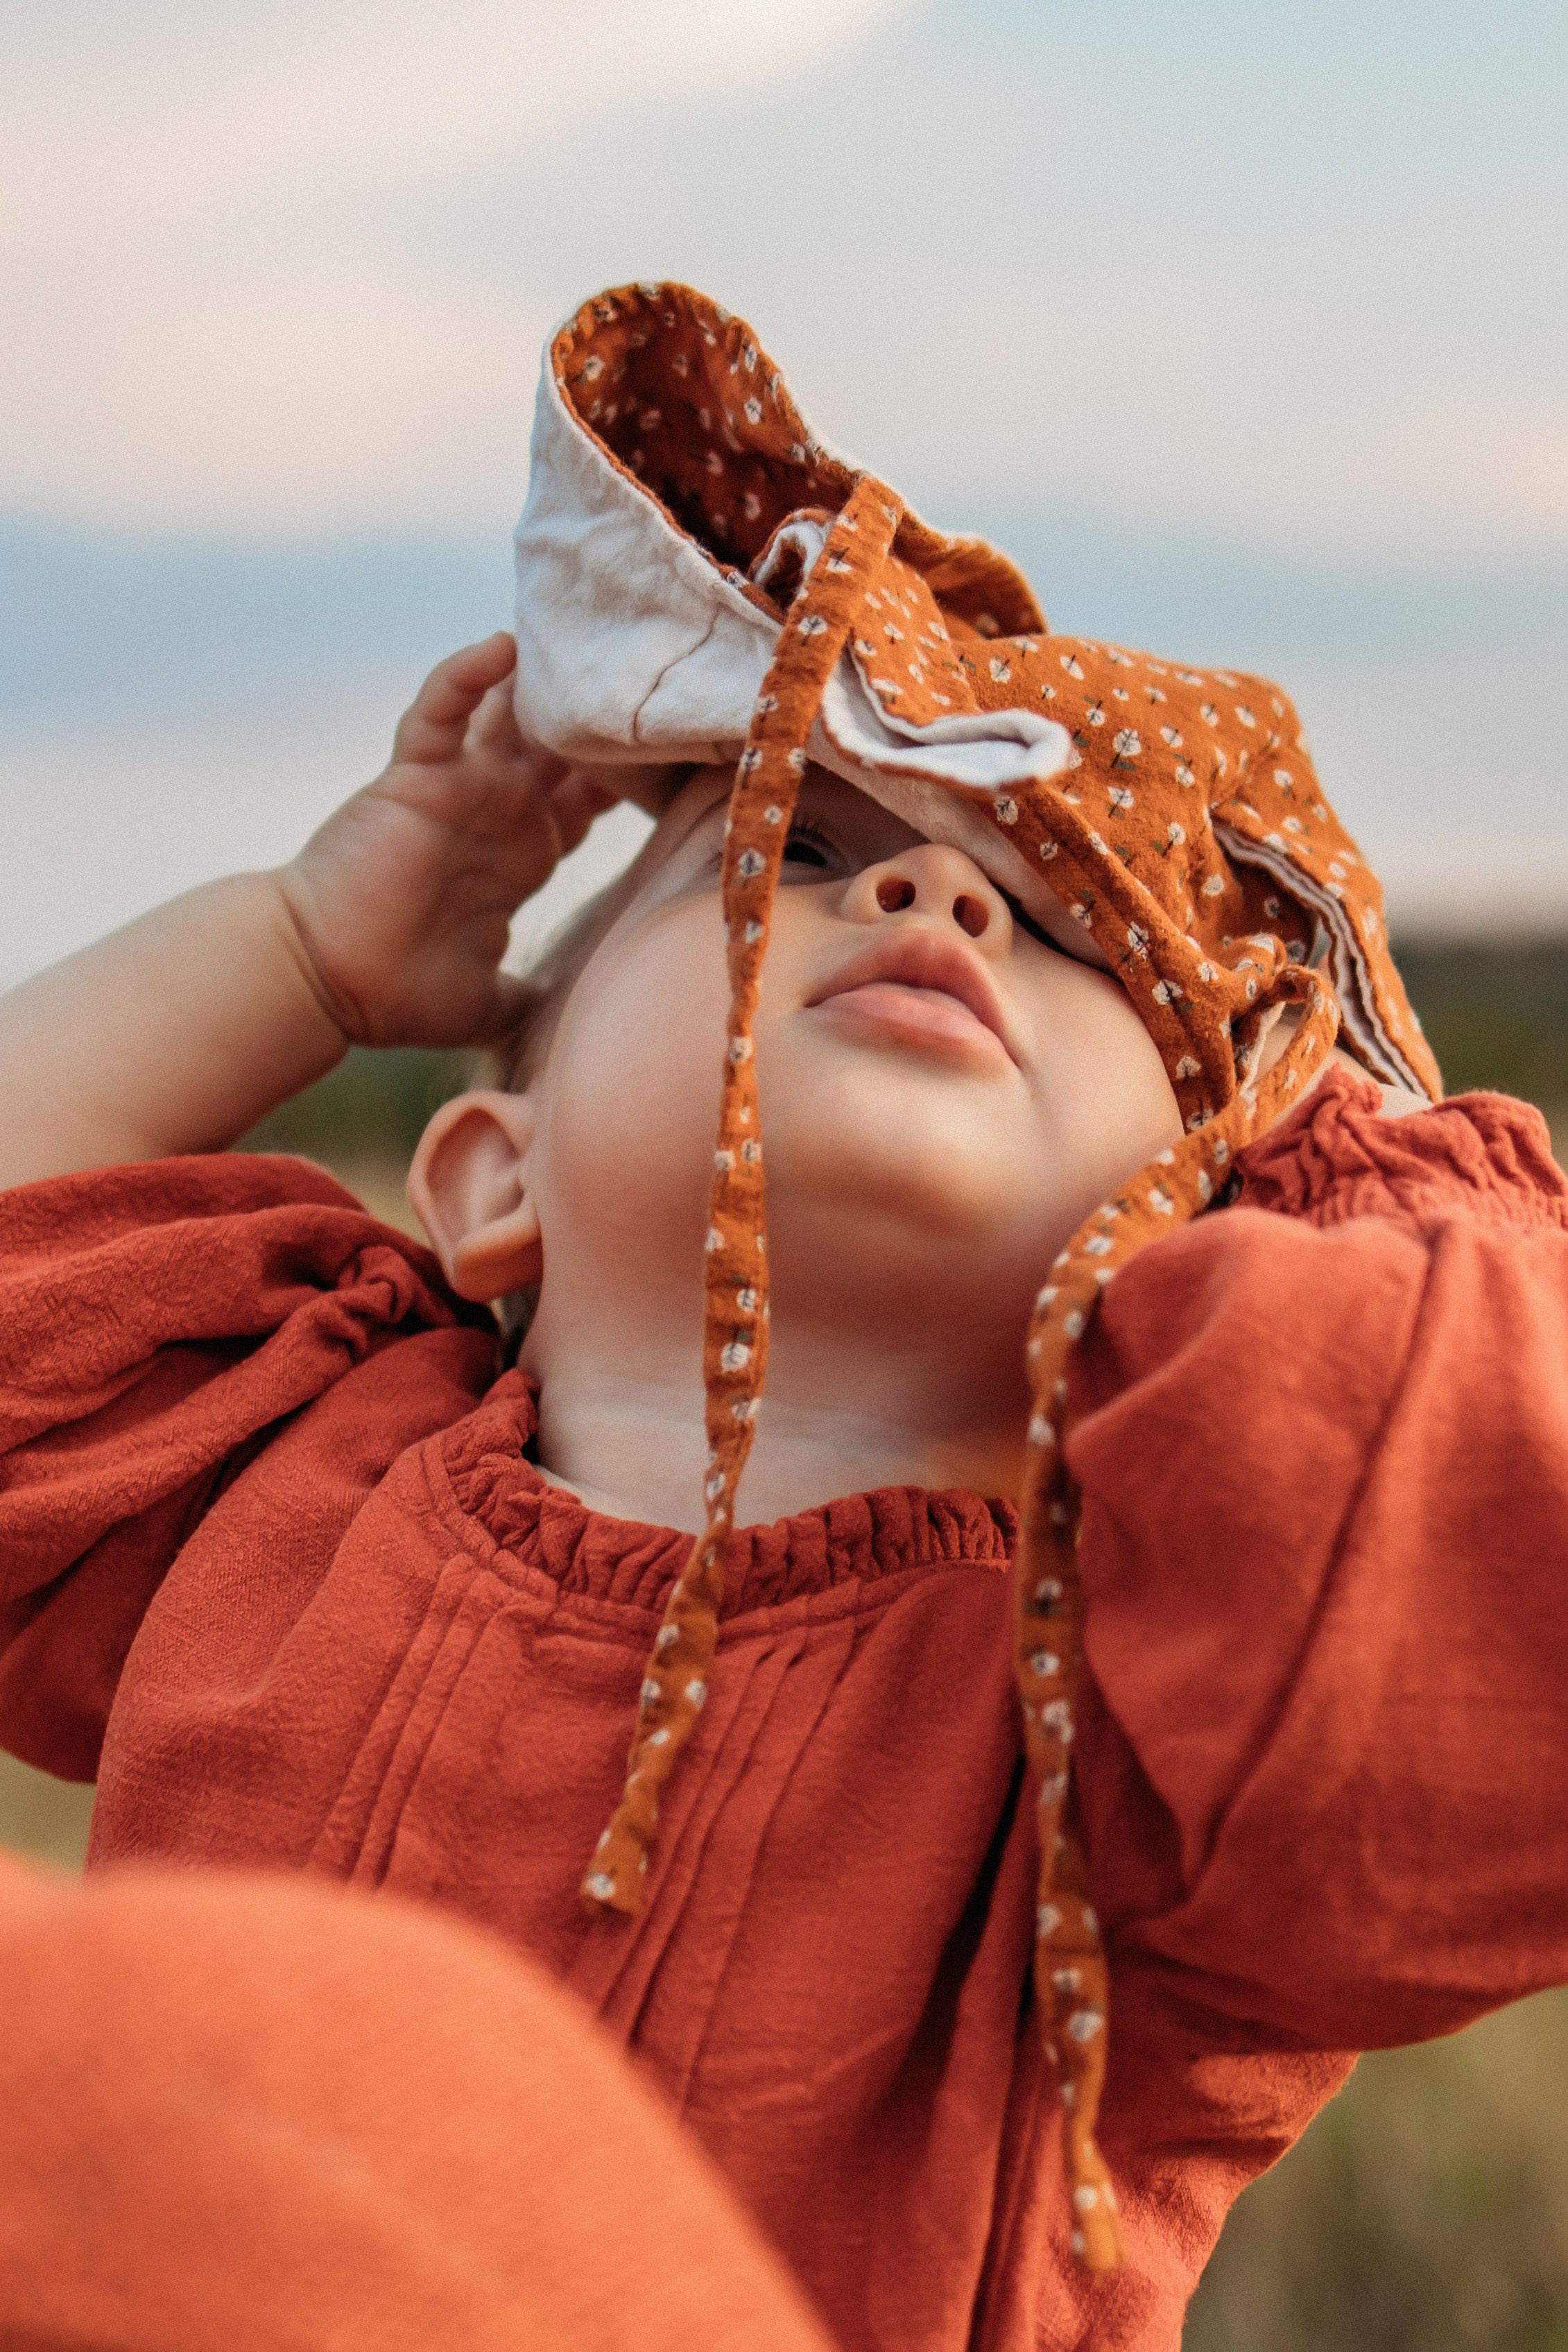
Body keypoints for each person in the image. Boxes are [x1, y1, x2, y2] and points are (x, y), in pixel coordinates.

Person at [3, 279, 1568, 2351]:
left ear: (1207, 1234)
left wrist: (1347, 1114)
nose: (938, 903)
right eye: (801, 853)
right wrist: (308, 952)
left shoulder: (1150, 1745)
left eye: (1076, 936)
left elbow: (1488, 1552)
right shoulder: (284, 1480)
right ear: (492, 1181)